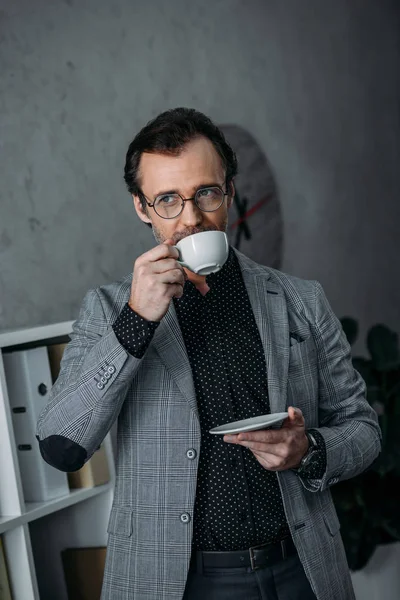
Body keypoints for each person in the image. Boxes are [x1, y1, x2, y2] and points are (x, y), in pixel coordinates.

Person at [36, 107, 381, 600]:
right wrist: (137, 320)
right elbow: (60, 445)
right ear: (141, 207)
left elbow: (364, 430)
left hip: (301, 569)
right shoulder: (110, 309)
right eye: (168, 201)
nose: (192, 219)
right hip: (177, 582)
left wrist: (309, 451)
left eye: (206, 193)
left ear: (230, 191)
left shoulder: (301, 299)